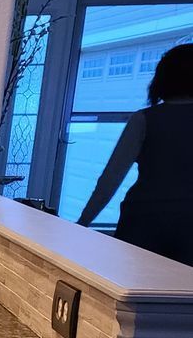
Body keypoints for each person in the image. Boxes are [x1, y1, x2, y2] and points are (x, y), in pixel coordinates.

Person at [77, 43, 193, 266]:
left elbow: (110, 180)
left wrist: (83, 222)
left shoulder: (145, 119)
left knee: (135, 288)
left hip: (145, 220)